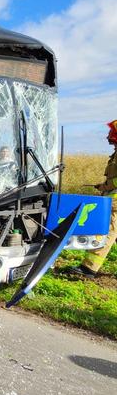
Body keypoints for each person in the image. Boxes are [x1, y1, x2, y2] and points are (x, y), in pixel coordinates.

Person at [70, 119, 117, 278]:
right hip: (112, 198)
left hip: (115, 203)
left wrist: (105, 187)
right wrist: (103, 185)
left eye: (112, 134)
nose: (109, 137)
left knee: (108, 231)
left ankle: (89, 268)